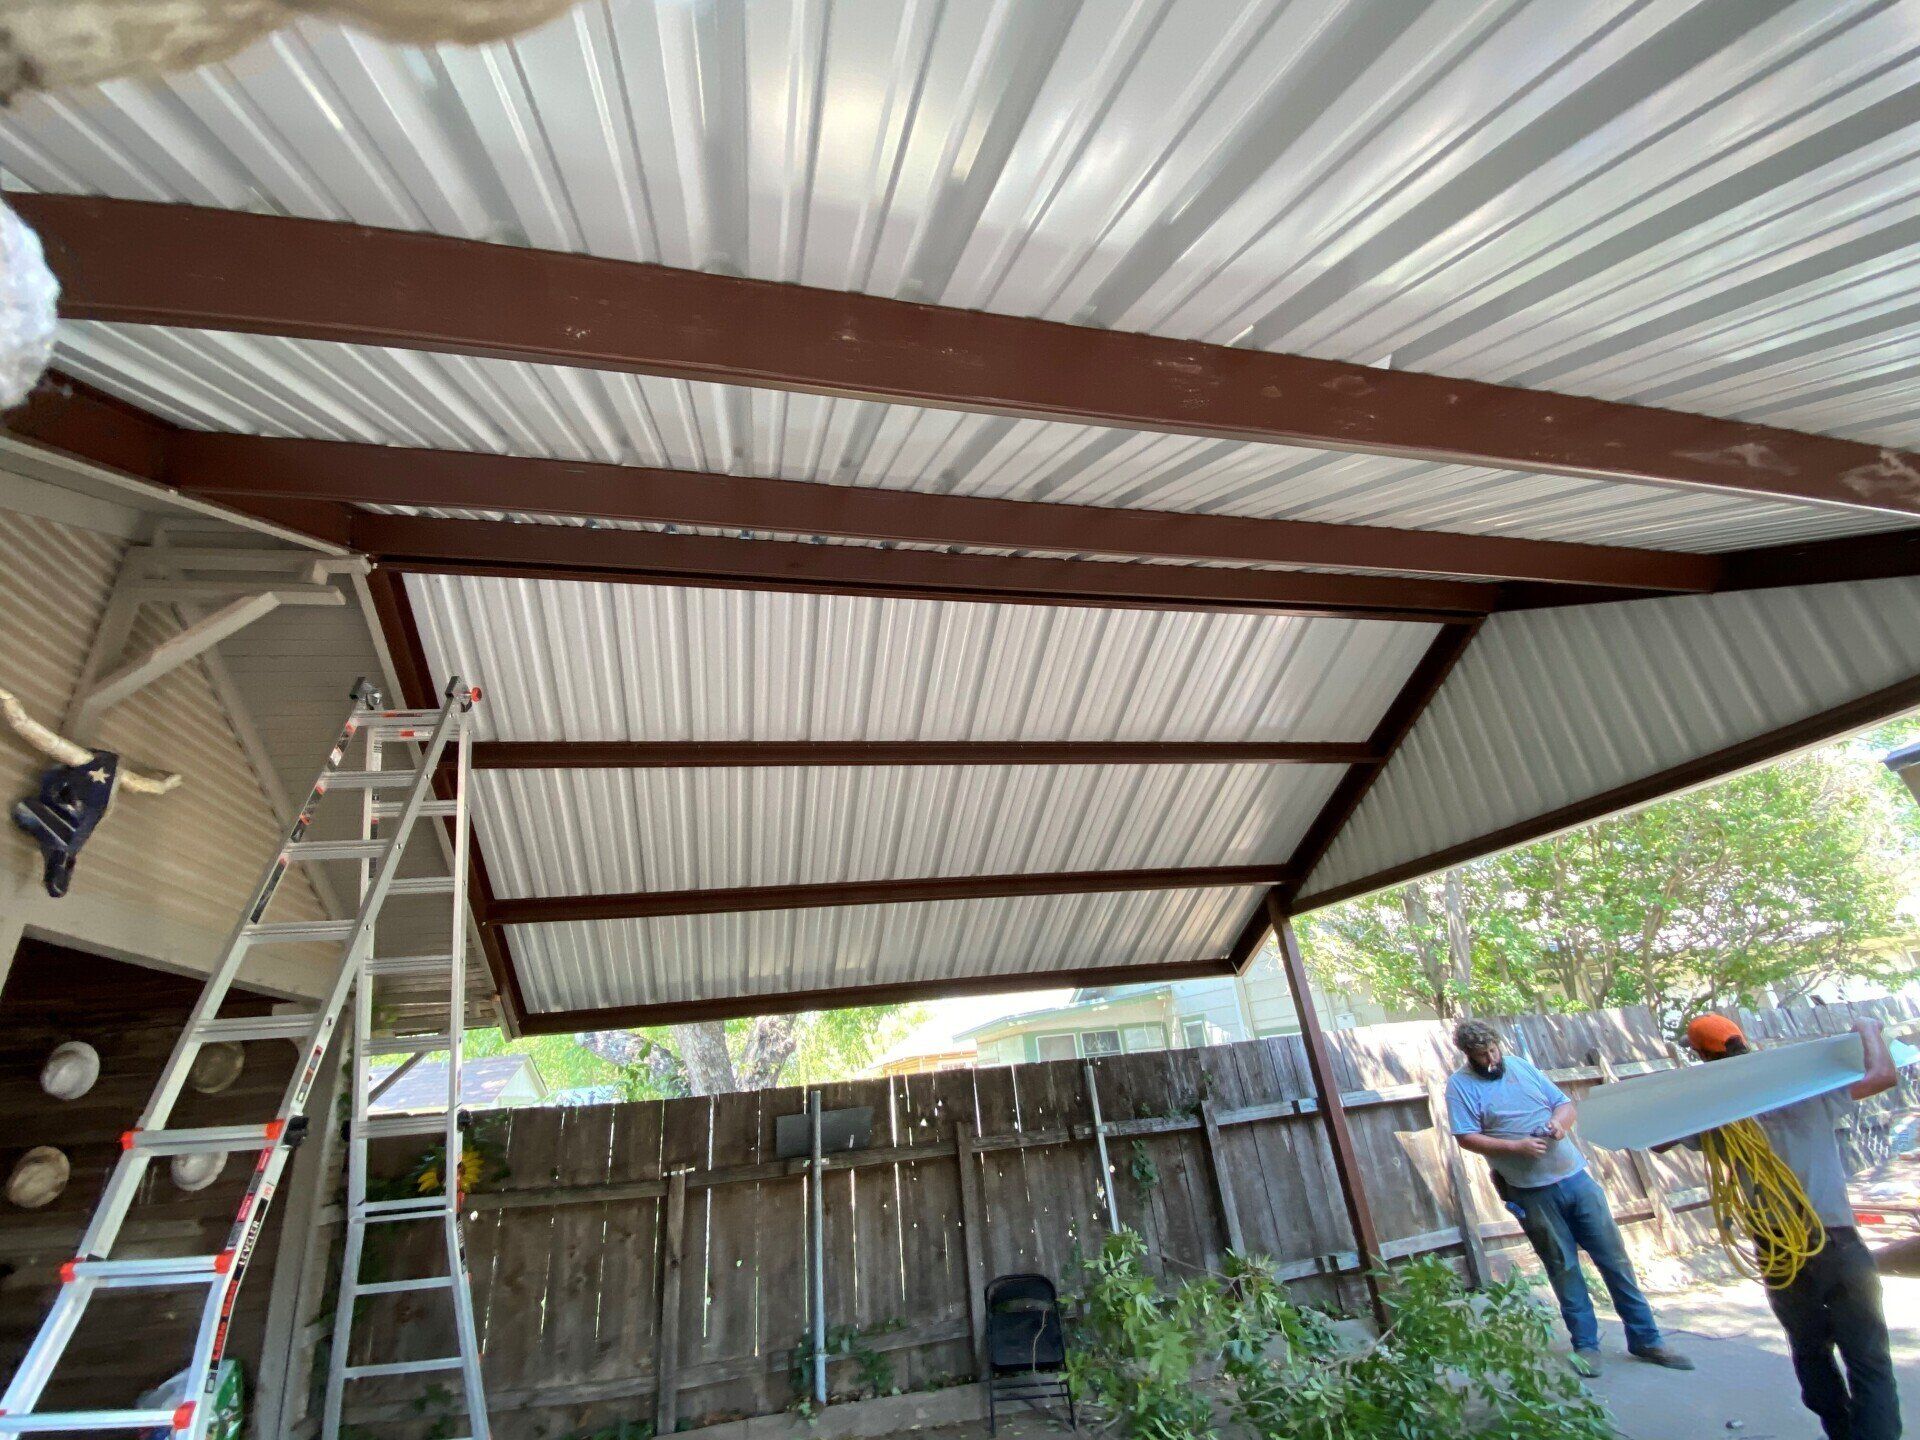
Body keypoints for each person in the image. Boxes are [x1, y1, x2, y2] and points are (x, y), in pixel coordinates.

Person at [1682, 1013, 1902, 1440]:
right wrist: (1870, 1030)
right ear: (1742, 1039)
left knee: (1810, 1351)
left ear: (1698, 1054)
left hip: (1777, 1248)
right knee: (1868, 1359)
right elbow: (1882, 1076)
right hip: (1834, 1242)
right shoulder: (1800, 1086)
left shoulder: (1713, 1107)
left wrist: (1686, 1091)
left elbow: (1657, 1138)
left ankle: (1840, 1430)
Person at [1446, 1018, 1693, 1377]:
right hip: (1530, 1193)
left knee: (1615, 1261)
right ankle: (1586, 1347)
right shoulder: (1460, 1086)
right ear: (1467, 1055)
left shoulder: (1520, 1066)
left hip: (1576, 1180)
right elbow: (1466, 1136)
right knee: (1563, 1267)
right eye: (1481, 1056)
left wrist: (1560, 1125)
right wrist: (1514, 1147)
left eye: (1493, 1051)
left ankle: (1646, 1339)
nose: (1490, 1060)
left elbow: (1564, 1104)